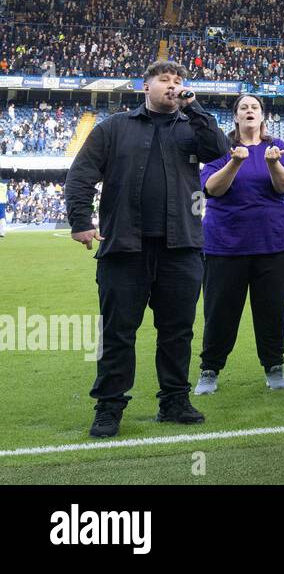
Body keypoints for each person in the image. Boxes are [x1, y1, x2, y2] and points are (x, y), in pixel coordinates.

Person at [65, 60, 230, 439]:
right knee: (118, 331)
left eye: (178, 81)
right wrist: (80, 221)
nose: (173, 86)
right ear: (146, 86)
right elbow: (81, 174)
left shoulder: (192, 126)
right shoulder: (114, 128)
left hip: (182, 247)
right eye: (165, 80)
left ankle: (174, 401)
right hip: (125, 248)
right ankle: (109, 407)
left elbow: (218, 149)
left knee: (177, 331)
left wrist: (195, 107)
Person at [193, 95, 284, 395]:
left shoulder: (276, 146)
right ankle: (210, 369)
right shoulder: (220, 148)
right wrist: (235, 163)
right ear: (236, 117)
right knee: (220, 310)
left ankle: (274, 366)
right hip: (225, 243)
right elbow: (211, 189)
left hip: (273, 241)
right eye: (244, 108)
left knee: (271, 309)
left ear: (262, 116)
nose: (249, 111)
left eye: (255, 107)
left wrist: (274, 164)